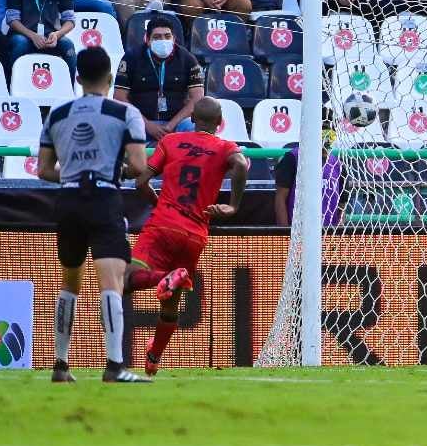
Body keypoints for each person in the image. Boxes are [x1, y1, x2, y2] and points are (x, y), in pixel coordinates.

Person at [37, 46, 150, 383]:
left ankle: (60, 365)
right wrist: (118, 171)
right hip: (103, 197)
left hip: (69, 199)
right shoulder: (124, 113)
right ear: (111, 77)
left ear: (77, 78)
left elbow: (44, 170)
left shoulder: (57, 114)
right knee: (111, 281)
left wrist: (74, 173)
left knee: (69, 281)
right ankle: (114, 366)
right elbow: (139, 165)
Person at [123, 96, 247, 376]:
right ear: (219, 122)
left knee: (124, 281)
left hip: (162, 226)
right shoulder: (225, 147)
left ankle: (163, 277)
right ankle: (154, 355)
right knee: (170, 302)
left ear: (192, 120)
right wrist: (233, 206)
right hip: (194, 235)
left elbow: (140, 181)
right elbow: (240, 164)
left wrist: (159, 203)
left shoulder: (171, 142)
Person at [114, 17, 205, 142]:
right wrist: (147, 125)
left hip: (176, 123)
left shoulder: (188, 59)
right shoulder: (131, 58)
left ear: (174, 38)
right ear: (147, 40)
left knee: (193, 127)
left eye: (167, 36)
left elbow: (197, 98)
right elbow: (119, 97)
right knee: (120, 125)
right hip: (140, 122)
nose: (163, 40)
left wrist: (171, 125)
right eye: (157, 37)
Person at [274, 131, 346, 227]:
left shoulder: (337, 164)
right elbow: (280, 198)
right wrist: (284, 231)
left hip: (329, 231)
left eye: (330, 140)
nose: (326, 145)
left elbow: (342, 205)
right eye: (324, 141)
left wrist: (339, 231)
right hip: (298, 229)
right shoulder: (292, 158)